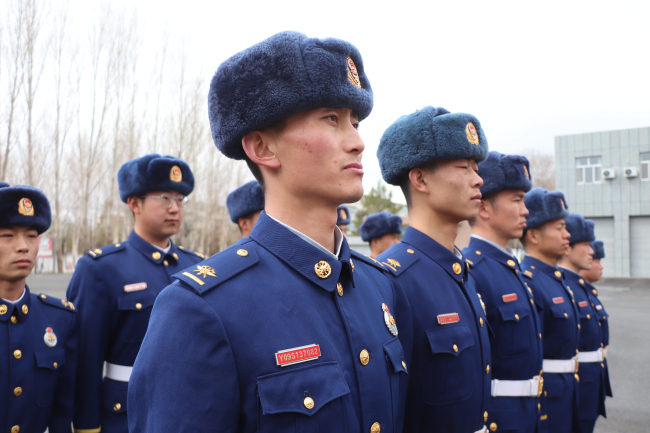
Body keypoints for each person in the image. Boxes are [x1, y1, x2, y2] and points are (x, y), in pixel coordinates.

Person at [128, 31, 409, 433]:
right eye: (332, 119)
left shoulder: (379, 286)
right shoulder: (201, 310)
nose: (358, 142)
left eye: (355, 122)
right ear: (262, 148)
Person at [66, 154, 204, 433]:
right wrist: (87, 427)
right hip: (126, 416)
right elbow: (86, 361)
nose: (175, 208)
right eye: (165, 198)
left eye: (180, 200)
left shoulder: (197, 266)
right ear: (134, 203)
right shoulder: (100, 268)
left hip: (189, 412)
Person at [376, 106, 492, 433]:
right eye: (463, 167)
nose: (478, 179)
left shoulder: (461, 271)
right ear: (421, 179)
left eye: (476, 168)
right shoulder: (392, 279)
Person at [462, 151, 545, 432]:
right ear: (484, 208)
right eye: (517, 200)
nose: (526, 211)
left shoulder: (510, 266)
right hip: (500, 419)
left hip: (529, 412)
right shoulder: (472, 269)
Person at [0, 182, 77, 432]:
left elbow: (63, 411)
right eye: (7, 235)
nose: (23, 246)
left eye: (31, 236)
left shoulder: (60, 318)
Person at [520, 188, 581, 433]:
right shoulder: (529, 280)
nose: (567, 235)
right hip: (547, 399)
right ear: (534, 235)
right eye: (559, 228)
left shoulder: (556, 278)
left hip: (566, 391)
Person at [557, 215, 607, 433]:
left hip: (589, 379)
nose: (591, 251)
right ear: (568, 248)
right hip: (575, 380)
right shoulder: (565, 285)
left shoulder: (578, 286)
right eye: (586, 245)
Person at [579, 240, 612, 403]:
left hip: (594, 373)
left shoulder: (588, 292)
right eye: (597, 261)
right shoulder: (574, 291)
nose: (601, 267)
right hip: (582, 377)